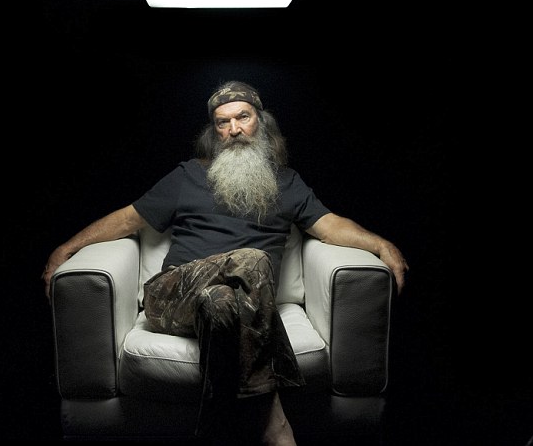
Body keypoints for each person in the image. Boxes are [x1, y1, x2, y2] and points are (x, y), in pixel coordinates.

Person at [41, 80, 409, 445]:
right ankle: (274, 418)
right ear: (214, 131)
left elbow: (331, 227)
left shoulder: (287, 183)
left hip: (230, 304)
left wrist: (381, 244)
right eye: (222, 122)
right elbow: (126, 219)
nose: (233, 129)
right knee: (253, 259)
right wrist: (67, 248)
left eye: (242, 117)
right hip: (170, 297)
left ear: (260, 121)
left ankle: (214, 429)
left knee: (221, 303)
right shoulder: (187, 175)